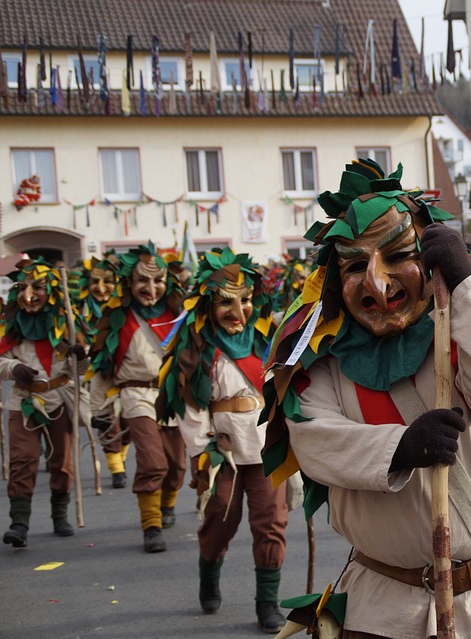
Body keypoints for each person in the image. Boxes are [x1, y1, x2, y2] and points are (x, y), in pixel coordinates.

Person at [261, 159, 471, 638]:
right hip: (381, 611)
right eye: (356, 266)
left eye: (396, 255)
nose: (377, 282)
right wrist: (399, 448)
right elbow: (314, 443)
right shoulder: (319, 357)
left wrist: (465, 285)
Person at [157, 249, 288, 633]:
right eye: (225, 302)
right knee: (219, 520)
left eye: (245, 300)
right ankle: (209, 575)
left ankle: (267, 603)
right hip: (223, 451)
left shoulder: (268, 338)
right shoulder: (197, 348)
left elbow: (286, 391)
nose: (238, 310)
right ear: (207, 306)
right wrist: (204, 447)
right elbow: (190, 405)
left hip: (264, 447)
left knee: (271, 523)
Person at [88, 244, 187, 552]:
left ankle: (167, 505)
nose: (151, 288)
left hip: (171, 396)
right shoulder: (118, 315)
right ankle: (151, 525)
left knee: (176, 466)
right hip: (135, 395)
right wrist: (96, 408)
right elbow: (102, 365)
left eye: (157, 281)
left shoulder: (179, 314)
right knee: (152, 461)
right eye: (142, 280)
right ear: (130, 283)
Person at [0, 258, 88, 548]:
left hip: (58, 398)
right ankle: (19, 524)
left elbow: (82, 370)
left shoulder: (66, 322)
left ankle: (60, 515)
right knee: (23, 460)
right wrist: (12, 368)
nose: (29, 295)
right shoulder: (10, 324)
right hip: (22, 400)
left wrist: (79, 356)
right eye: (22, 288)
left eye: (38, 288)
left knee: (61, 461)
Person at [77, 252, 130, 490]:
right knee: (106, 419)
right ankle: (116, 467)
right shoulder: (77, 314)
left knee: (128, 420)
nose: (101, 288)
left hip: (126, 372)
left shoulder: (126, 310)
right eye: (95, 282)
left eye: (108, 281)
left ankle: (122, 456)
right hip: (96, 374)